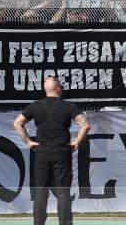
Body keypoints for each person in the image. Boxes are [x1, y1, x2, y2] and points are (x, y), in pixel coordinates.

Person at [13, 77, 90, 225]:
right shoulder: (68, 106)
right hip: (62, 152)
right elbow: (85, 125)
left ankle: (39, 223)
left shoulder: (35, 106)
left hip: (41, 153)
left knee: (41, 190)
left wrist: (29, 142)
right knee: (63, 192)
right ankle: (65, 223)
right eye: (61, 87)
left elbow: (18, 123)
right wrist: (76, 143)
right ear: (58, 89)